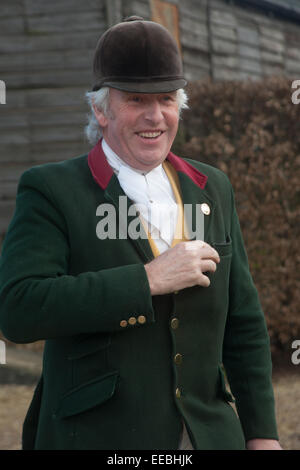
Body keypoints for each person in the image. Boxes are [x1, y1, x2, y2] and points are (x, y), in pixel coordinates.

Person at [0, 16, 281, 450]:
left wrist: (262, 434)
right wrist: (147, 280)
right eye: (136, 99)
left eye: (167, 99)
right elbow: (18, 308)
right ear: (100, 109)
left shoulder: (214, 187)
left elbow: (243, 324)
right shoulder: (51, 189)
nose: (155, 116)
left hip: (209, 436)